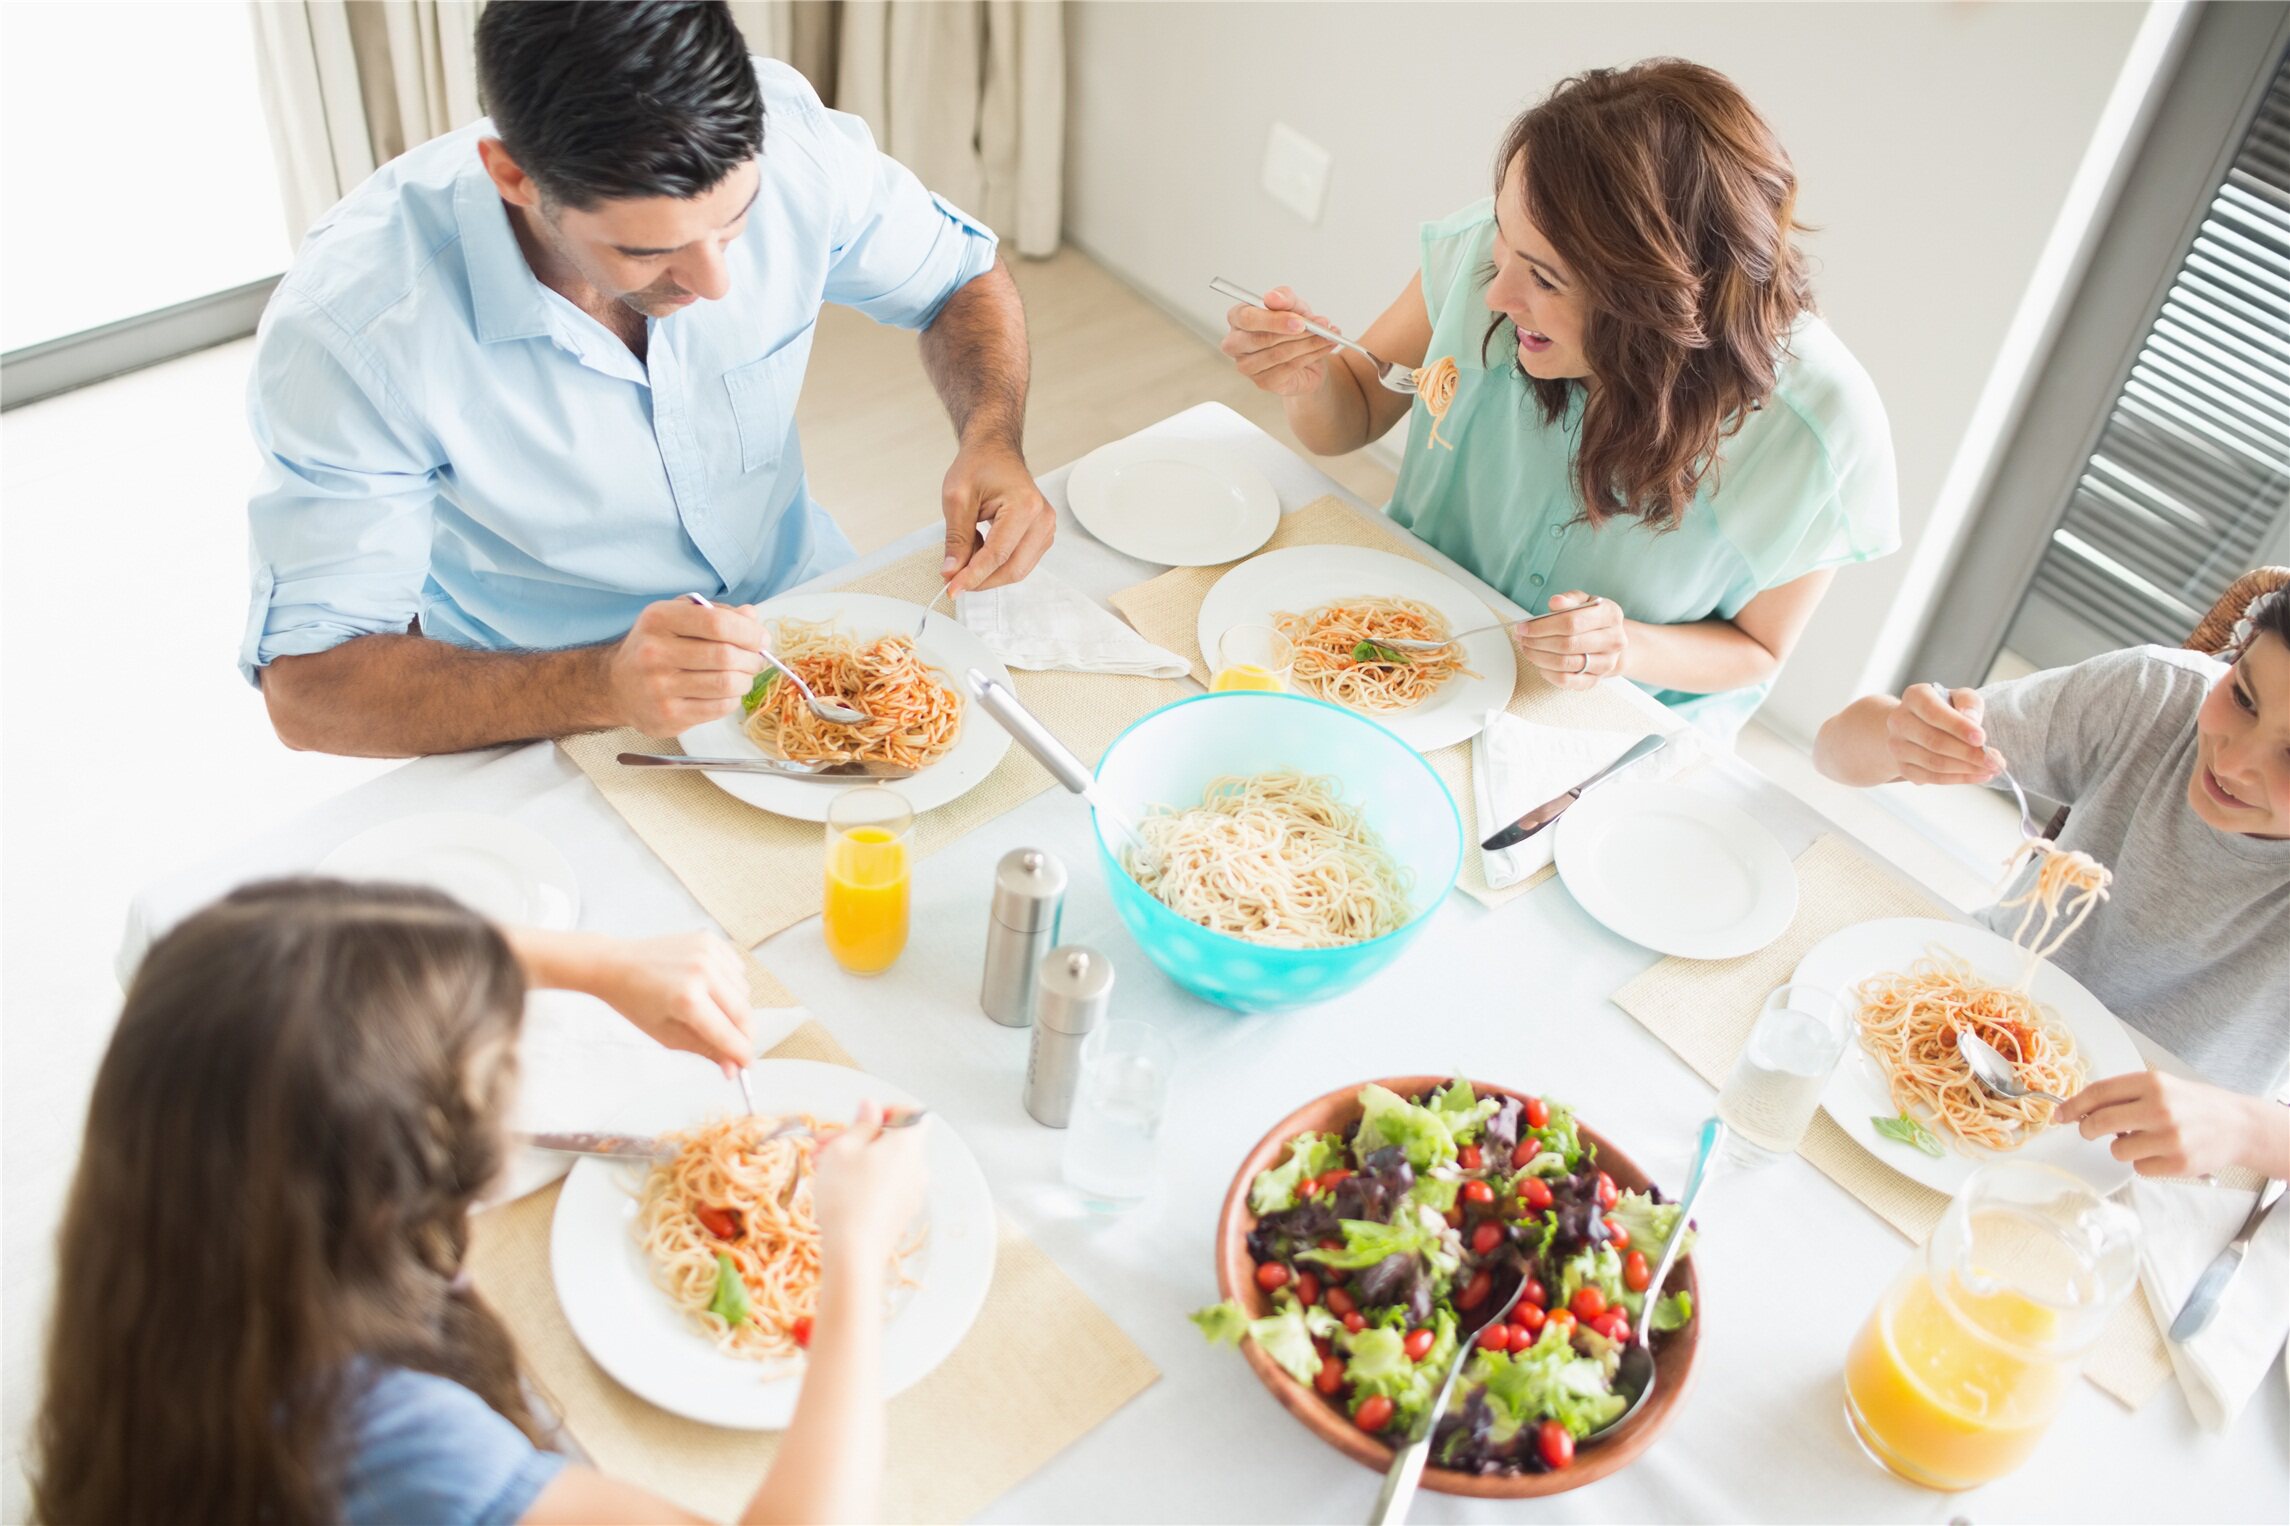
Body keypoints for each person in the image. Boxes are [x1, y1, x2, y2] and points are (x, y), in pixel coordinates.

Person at [245, 1, 1053, 758]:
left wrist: (991, 434)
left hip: (809, 605)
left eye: (735, 225)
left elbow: (959, 277)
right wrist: (601, 683)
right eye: (645, 250)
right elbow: (310, 687)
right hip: (549, 696)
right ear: (514, 176)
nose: (714, 284)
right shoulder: (354, 329)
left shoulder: (794, 141)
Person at [30, 880, 927, 1524]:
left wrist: (601, 963)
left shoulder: (166, 1239)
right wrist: (851, 1257)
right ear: (402, 1184)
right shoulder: (387, 1437)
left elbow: (279, 957)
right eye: (500, 1074)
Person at [1221, 60, 1898, 738]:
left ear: (1656, 303)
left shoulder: (1824, 427)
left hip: (1595, 730)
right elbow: (1356, 414)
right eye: (1502, 241)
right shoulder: (1487, 260)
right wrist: (1307, 381)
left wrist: (1622, 645)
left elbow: (1759, 649)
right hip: (1410, 636)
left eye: (1544, 278)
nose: (1496, 295)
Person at [1813, 588, 2290, 1180]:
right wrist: (1897, 735)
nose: (2234, 760)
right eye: (2243, 698)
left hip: (2148, 1158)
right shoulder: (2154, 695)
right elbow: (1832, 752)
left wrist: (2249, 1130)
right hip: (1951, 1009)